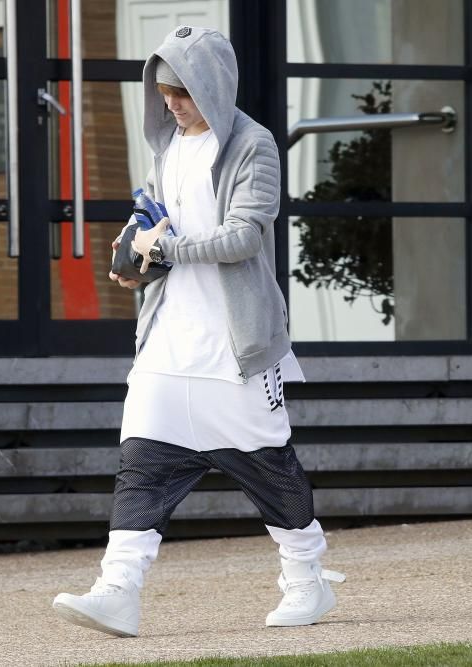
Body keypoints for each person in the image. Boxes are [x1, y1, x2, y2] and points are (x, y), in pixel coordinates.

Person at [52, 25, 344, 638]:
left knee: (269, 467)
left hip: (235, 345)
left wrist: (169, 250)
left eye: (182, 91)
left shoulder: (253, 145)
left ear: (212, 85)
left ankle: (307, 579)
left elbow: (244, 234)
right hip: (166, 340)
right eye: (162, 91)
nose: (172, 104)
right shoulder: (166, 149)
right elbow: (150, 225)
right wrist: (131, 260)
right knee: (140, 461)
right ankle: (118, 590)